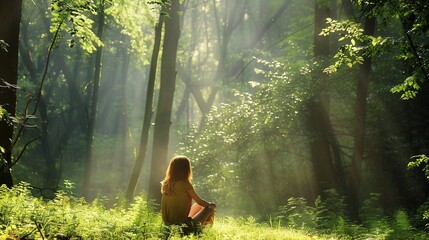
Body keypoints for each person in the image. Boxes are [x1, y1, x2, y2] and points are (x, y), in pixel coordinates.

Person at [161, 155, 216, 235]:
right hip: (183, 227)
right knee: (210, 209)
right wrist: (211, 205)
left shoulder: (167, 184)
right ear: (186, 169)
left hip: (168, 226)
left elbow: (199, 204)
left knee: (197, 206)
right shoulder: (185, 184)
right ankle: (198, 233)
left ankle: (197, 231)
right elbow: (200, 201)